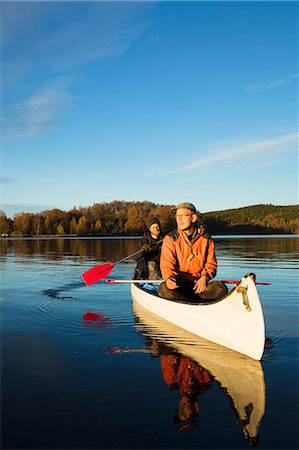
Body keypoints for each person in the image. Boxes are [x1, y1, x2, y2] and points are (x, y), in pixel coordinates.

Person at [158, 202, 228, 301]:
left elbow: (211, 264)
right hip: (178, 285)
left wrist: (205, 277)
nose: (179, 219)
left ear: (193, 218)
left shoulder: (206, 238)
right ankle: (191, 302)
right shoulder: (170, 238)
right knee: (164, 290)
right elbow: (167, 265)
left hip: (199, 284)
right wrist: (169, 279)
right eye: (177, 216)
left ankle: (190, 301)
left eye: (183, 215)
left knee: (220, 288)